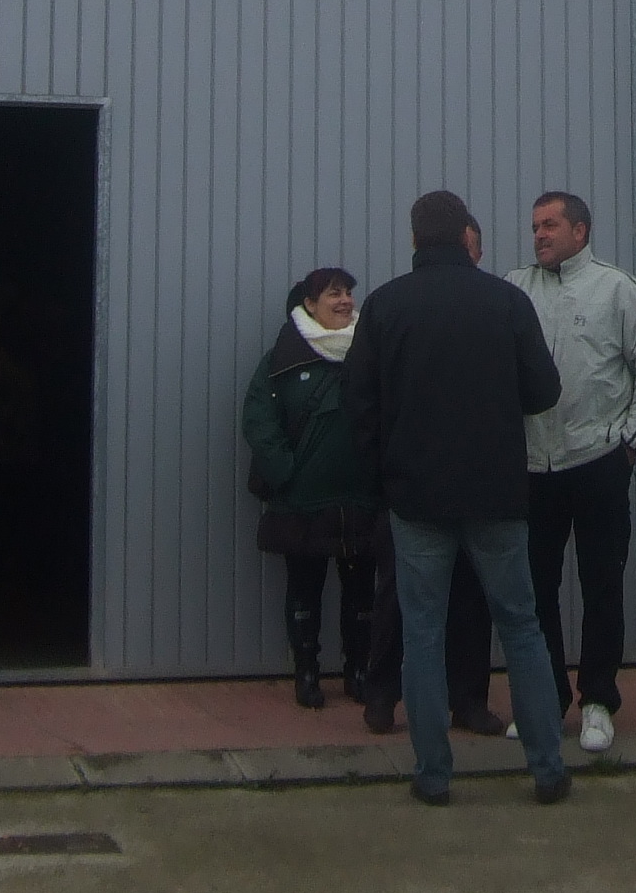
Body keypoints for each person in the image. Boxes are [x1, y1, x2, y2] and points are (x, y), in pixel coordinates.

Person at [344, 189, 572, 807]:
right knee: (521, 627)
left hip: (415, 498)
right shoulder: (507, 301)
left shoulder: (386, 305)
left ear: (415, 238)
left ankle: (434, 775)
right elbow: (544, 392)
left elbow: (358, 407)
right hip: (498, 493)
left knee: (422, 632)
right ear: (466, 236)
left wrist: (380, 484)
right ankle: (548, 769)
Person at [511, 190, 636, 754]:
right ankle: (547, 699)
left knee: (602, 585)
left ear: (580, 231)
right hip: (533, 467)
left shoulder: (618, 290)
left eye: (550, 225)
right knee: (535, 589)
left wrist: (630, 445)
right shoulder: (515, 290)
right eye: (535, 226)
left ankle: (598, 702)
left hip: (598, 463)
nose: (539, 235)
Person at [242, 267, 383, 709]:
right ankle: (306, 673)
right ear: (309, 303)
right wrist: (285, 471)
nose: (345, 301)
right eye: (333, 294)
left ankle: (357, 672)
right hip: (302, 502)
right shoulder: (282, 358)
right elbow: (258, 420)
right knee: (304, 589)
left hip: (361, 498)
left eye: (348, 293)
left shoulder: (371, 352)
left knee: (362, 592)